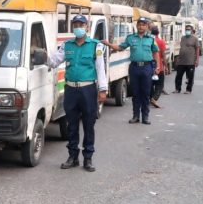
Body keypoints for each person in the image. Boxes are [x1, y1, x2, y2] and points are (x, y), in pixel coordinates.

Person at [47, 14, 107, 171]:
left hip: (88, 89)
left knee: (89, 124)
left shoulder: (96, 46)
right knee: (71, 125)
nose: (78, 27)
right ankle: (73, 157)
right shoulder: (67, 46)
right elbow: (54, 61)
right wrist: (41, 55)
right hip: (71, 90)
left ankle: (88, 158)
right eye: (76, 24)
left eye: (81, 24)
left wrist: (103, 89)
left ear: (86, 27)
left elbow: (100, 68)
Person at [103, 17, 160, 124]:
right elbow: (120, 47)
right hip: (134, 68)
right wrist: (108, 44)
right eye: (139, 24)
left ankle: (145, 117)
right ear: (136, 26)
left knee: (146, 93)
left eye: (143, 25)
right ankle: (135, 116)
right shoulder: (130, 38)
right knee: (135, 93)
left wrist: (157, 67)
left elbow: (155, 52)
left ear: (147, 26)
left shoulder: (151, 38)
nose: (141, 26)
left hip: (147, 68)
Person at [173, 24, 199, 94]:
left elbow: (197, 50)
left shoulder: (194, 39)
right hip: (181, 61)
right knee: (178, 76)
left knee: (190, 77)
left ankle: (188, 89)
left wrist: (197, 60)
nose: (187, 31)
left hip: (190, 61)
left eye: (189, 30)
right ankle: (177, 89)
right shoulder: (182, 38)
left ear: (191, 31)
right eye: (186, 29)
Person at [150, 27, 167, 108]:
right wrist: (166, 65)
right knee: (160, 84)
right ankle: (154, 98)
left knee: (150, 84)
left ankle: (149, 98)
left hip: (148, 66)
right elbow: (163, 55)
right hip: (158, 66)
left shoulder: (148, 40)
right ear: (158, 33)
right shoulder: (161, 42)